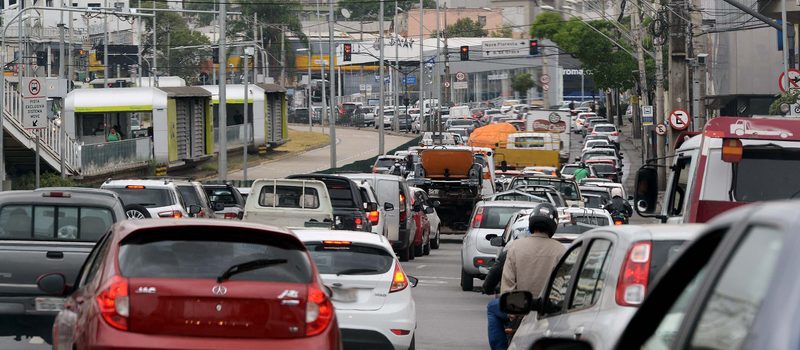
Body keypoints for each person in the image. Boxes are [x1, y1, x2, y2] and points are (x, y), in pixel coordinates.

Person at [501, 202, 566, 296]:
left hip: (519, 307)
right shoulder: (560, 250)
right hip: (549, 308)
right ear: (553, 225)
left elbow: (508, 285)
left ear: (531, 222)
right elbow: (563, 285)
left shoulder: (515, 247)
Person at [483, 249, 510, 350]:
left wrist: (487, 288)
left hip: (517, 304)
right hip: (549, 305)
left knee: (492, 308)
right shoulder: (560, 250)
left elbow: (494, 272)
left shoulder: (513, 250)